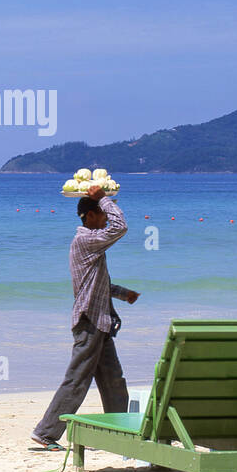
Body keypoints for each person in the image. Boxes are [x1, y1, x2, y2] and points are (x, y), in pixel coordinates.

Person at [31, 184, 138, 450]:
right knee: (78, 379)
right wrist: (104, 200)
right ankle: (46, 432)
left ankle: (120, 430)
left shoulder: (90, 246)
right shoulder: (85, 240)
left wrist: (124, 294)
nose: (104, 220)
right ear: (90, 216)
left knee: (114, 380)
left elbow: (97, 285)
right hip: (89, 321)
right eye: (101, 215)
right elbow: (120, 227)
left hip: (99, 322)